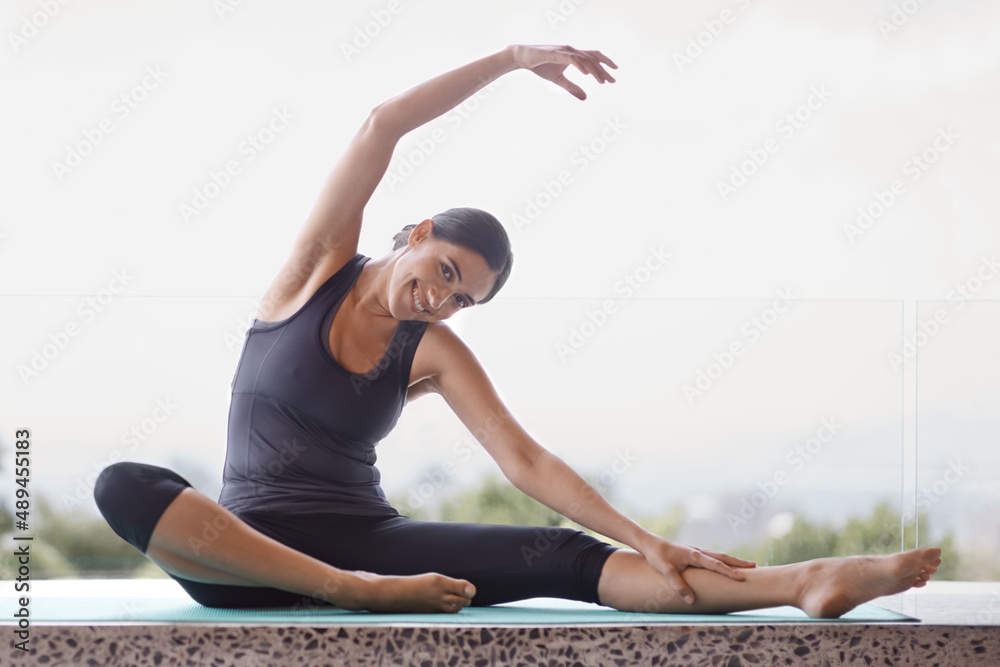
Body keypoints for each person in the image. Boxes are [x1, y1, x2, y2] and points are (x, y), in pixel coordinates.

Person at [94, 44, 940, 615]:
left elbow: (526, 461)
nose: (444, 300)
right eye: (449, 272)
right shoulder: (314, 272)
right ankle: (349, 589)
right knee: (124, 483)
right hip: (241, 554)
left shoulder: (431, 350)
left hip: (371, 539)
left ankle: (807, 580)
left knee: (562, 555)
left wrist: (646, 538)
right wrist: (509, 59)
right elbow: (380, 124)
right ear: (418, 232)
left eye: (466, 300)